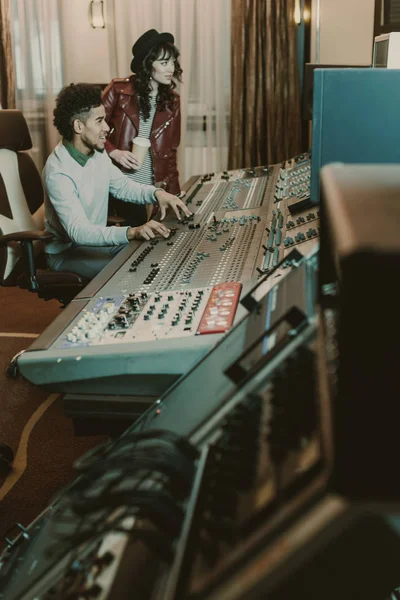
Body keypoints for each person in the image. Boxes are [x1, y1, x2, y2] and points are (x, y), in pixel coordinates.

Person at [43, 83, 190, 280]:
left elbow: (122, 186)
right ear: (78, 126)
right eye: (99, 121)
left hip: (94, 245)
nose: (107, 127)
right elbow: (79, 231)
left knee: (151, 253)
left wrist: (156, 194)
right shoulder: (58, 172)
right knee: (137, 271)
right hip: (66, 254)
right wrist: (132, 232)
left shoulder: (96, 152)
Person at [102, 29, 183, 226]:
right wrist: (114, 153)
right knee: (138, 237)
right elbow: (89, 131)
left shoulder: (173, 101)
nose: (170, 69)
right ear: (148, 65)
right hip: (120, 184)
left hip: (152, 187)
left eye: (172, 62)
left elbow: (170, 154)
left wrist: (174, 195)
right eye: (164, 63)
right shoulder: (118, 90)